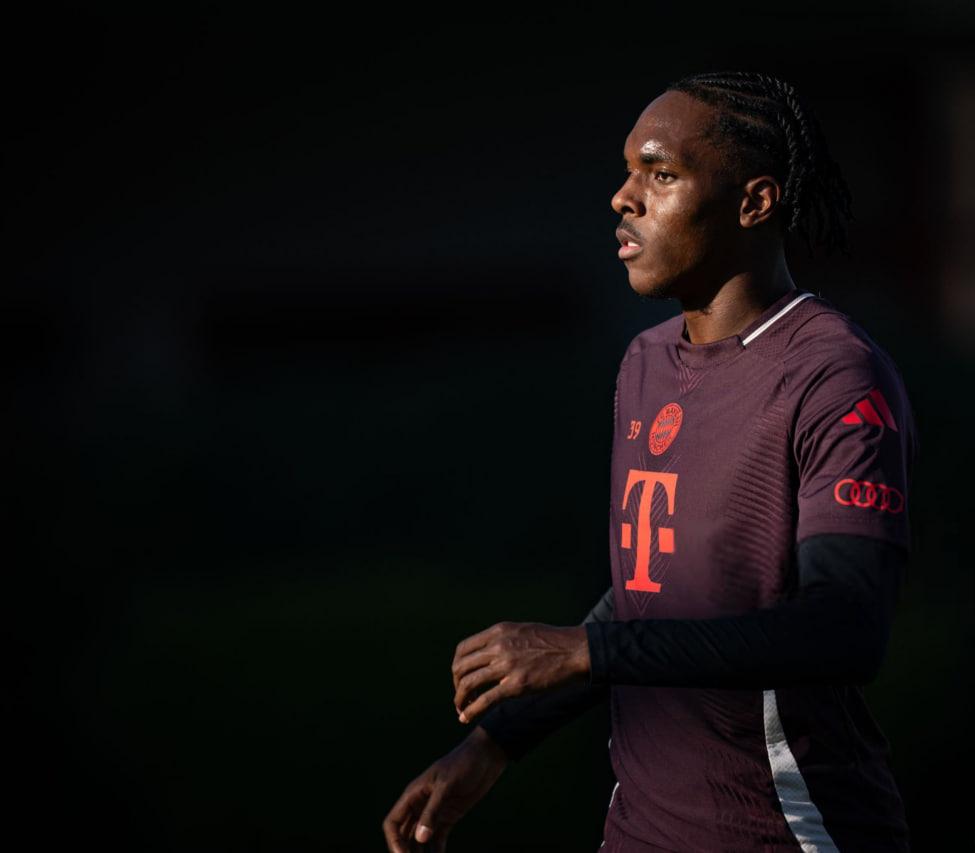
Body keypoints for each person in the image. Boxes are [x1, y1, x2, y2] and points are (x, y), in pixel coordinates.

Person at [384, 70, 919, 853]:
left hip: (787, 832)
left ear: (755, 202)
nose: (623, 198)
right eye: (629, 171)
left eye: (661, 174)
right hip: (640, 830)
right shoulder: (645, 363)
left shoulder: (833, 374)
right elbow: (649, 590)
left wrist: (585, 652)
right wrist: (495, 741)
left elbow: (845, 629)